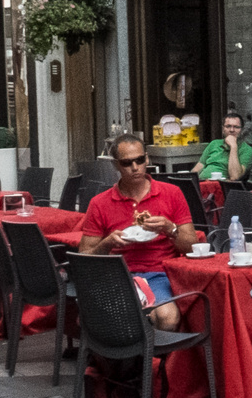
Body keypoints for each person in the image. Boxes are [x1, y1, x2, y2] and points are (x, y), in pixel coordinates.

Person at [78, 134, 197, 330]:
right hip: (118, 274)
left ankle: (149, 357)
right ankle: (136, 355)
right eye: (127, 163)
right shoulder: (100, 203)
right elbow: (84, 257)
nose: (135, 167)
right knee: (108, 319)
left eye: (140, 160)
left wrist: (170, 229)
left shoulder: (172, 193)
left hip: (159, 273)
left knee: (167, 318)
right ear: (116, 164)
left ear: (147, 159)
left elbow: (192, 246)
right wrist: (107, 243)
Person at [197, 113, 252, 182]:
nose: (232, 130)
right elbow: (198, 168)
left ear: (241, 129)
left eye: (236, 127)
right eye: (228, 126)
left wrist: (233, 146)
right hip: (202, 184)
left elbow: (235, 177)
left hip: (223, 187)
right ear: (223, 128)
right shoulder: (214, 143)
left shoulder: (247, 150)